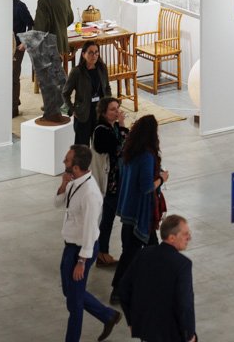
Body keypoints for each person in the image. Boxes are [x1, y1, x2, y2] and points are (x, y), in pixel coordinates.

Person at [54, 145, 121, 342]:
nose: (63, 163)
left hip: (82, 250)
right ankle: (107, 315)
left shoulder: (91, 194)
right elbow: (58, 204)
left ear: (76, 167)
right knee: (70, 291)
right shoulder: (74, 181)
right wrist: (62, 185)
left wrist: (82, 261)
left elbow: (91, 231)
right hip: (70, 247)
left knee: (74, 304)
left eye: (66, 161)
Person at [111, 115, 167, 304]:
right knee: (132, 252)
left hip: (129, 208)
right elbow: (146, 187)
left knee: (144, 249)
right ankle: (118, 289)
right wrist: (162, 178)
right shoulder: (147, 156)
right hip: (141, 213)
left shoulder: (130, 150)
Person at [120, 214, 197, 342]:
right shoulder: (182, 264)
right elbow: (185, 305)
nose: (189, 237)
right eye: (185, 234)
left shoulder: (144, 254)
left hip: (147, 331)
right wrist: (189, 335)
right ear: (172, 238)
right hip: (172, 334)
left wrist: (132, 321)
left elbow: (124, 288)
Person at [92, 97, 127, 268]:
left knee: (109, 217)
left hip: (115, 179)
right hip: (109, 181)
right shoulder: (101, 130)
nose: (117, 112)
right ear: (104, 112)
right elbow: (119, 147)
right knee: (107, 218)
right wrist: (122, 127)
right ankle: (101, 253)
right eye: (113, 109)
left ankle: (102, 251)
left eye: (117, 108)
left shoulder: (110, 127)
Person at [64, 41, 110, 146]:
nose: (94, 55)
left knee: (99, 147)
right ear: (83, 54)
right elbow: (65, 93)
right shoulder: (77, 72)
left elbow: (107, 87)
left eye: (96, 52)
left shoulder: (102, 68)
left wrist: (108, 104)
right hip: (83, 114)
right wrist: (73, 110)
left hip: (99, 113)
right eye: (90, 53)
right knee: (82, 149)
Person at [34, 0, 75, 64]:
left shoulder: (42, 2)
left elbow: (40, 25)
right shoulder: (66, 0)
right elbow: (70, 19)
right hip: (62, 42)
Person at [12, 0, 33, 117]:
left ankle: (13, 109)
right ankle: (13, 101)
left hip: (17, 47)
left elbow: (30, 23)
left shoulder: (19, 6)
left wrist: (25, 42)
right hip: (1, 48)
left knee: (13, 77)